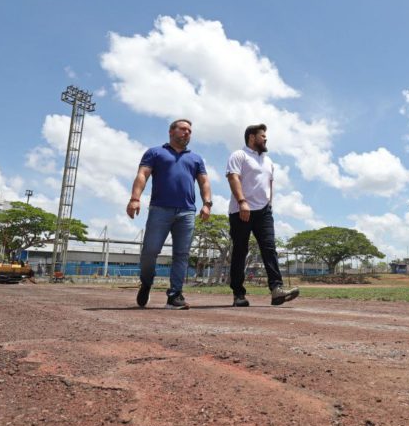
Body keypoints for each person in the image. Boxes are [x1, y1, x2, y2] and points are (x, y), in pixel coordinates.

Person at [127, 119, 211, 309]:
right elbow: (143, 175)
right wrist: (135, 198)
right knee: (150, 251)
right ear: (171, 132)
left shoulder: (196, 158)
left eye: (190, 130)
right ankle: (147, 282)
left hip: (187, 212)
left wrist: (207, 204)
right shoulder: (155, 152)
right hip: (160, 210)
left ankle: (175, 296)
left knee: (182, 254)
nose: (187, 133)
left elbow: (204, 182)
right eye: (183, 129)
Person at [226, 123, 299, 307]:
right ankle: (238, 294)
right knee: (240, 252)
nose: (266, 139)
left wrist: (270, 204)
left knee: (269, 249)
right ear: (252, 137)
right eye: (263, 136)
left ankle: (276, 290)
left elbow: (270, 184)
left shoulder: (268, 161)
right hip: (241, 211)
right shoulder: (239, 155)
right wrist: (242, 202)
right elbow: (233, 178)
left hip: (264, 212)